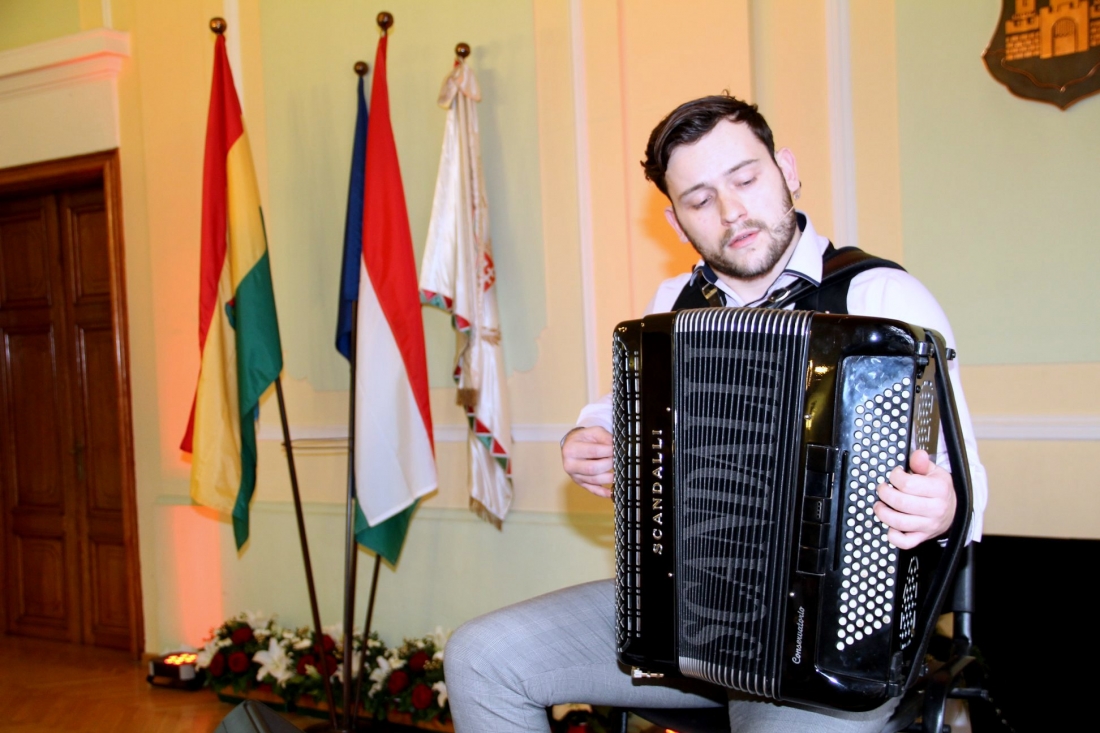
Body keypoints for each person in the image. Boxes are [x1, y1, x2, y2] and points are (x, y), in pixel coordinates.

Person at [444, 94, 987, 733]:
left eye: (746, 179)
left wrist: (940, 508)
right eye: (699, 200)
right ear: (675, 223)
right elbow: (618, 411)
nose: (731, 212)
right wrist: (590, 440)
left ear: (787, 171)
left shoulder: (881, 298)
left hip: (826, 640)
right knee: (480, 658)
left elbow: (964, 485)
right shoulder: (674, 303)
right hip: (683, 611)